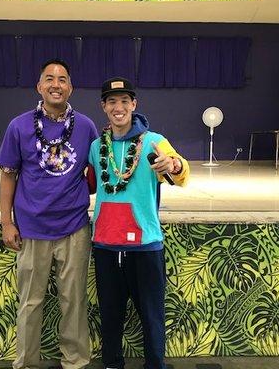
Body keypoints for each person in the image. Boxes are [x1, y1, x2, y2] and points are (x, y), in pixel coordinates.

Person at [0, 59, 98, 369]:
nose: (56, 84)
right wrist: (6, 222)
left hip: (74, 227)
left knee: (74, 300)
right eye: (49, 79)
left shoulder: (86, 126)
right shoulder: (19, 125)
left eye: (63, 79)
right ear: (39, 87)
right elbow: (8, 174)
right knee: (30, 302)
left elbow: (96, 174)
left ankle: (76, 360)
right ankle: (26, 362)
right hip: (31, 227)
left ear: (71, 88)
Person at [88, 77, 190, 369]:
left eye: (124, 101)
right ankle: (111, 364)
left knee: (152, 314)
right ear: (104, 107)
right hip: (106, 243)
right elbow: (92, 183)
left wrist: (174, 165)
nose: (118, 107)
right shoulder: (97, 146)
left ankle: (155, 365)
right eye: (111, 101)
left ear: (134, 104)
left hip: (145, 243)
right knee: (110, 312)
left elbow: (181, 173)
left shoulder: (155, 141)